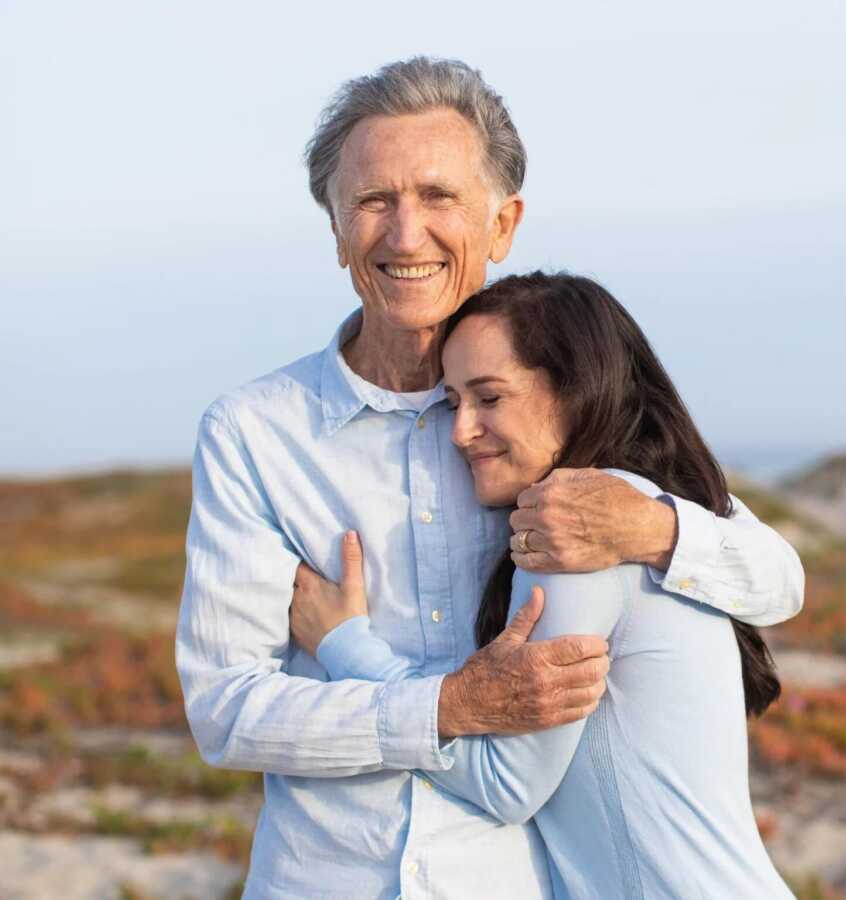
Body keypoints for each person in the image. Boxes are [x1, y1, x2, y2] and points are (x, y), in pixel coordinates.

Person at [176, 57, 804, 899]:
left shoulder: (554, 431)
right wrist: (445, 707)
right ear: (334, 230)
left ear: (503, 225)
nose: (406, 235)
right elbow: (226, 712)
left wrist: (651, 529)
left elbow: (776, 579)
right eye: (372, 202)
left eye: (439, 197)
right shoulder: (254, 433)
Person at [290, 271, 795, 899]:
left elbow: (508, 785)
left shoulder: (577, 527)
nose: (460, 430)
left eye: (490, 398)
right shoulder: (646, 501)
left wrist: (346, 645)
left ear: (575, 392)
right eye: (453, 401)